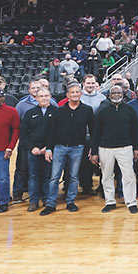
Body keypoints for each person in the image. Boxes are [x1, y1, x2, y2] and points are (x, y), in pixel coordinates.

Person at [40, 83, 95, 216]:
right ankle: (51, 204)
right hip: (59, 147)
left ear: (80, 94)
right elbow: (51, 132)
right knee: (54, 177)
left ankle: (70, 201)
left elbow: (93, 130)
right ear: (67, 95)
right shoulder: (59, 110)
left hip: (78, 148)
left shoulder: (87, 110)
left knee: (74, 176)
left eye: (77, 92)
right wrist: (48, 148)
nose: (75, 94)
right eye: (72, 92)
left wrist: (93, 148)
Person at [92, 83, 138, 214]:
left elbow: (136, 131)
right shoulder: (102, 111)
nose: (116, 95)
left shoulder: (130, 110)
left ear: (123, 94)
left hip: (125, 148)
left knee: (129, 176)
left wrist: (136, 148)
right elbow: (95, 133)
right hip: (105, 148)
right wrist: (94, 152)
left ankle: (131, 202)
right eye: (113, 93)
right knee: (106, 176)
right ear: (109, 95)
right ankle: (110, 201)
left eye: (119, 93)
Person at [19, 87, 56, 212]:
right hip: (33, 151)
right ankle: (33, 201)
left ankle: (46, 198)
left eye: (46, 95)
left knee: (47, 176)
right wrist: (32, 147)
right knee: (33, 176)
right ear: (36, 98)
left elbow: (57, 132)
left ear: (50, 97)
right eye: (41, 96)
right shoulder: (30, 113)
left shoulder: (57, 112)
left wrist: (48, 147)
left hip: (49, 151)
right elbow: (24, 133)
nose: (44, 98)